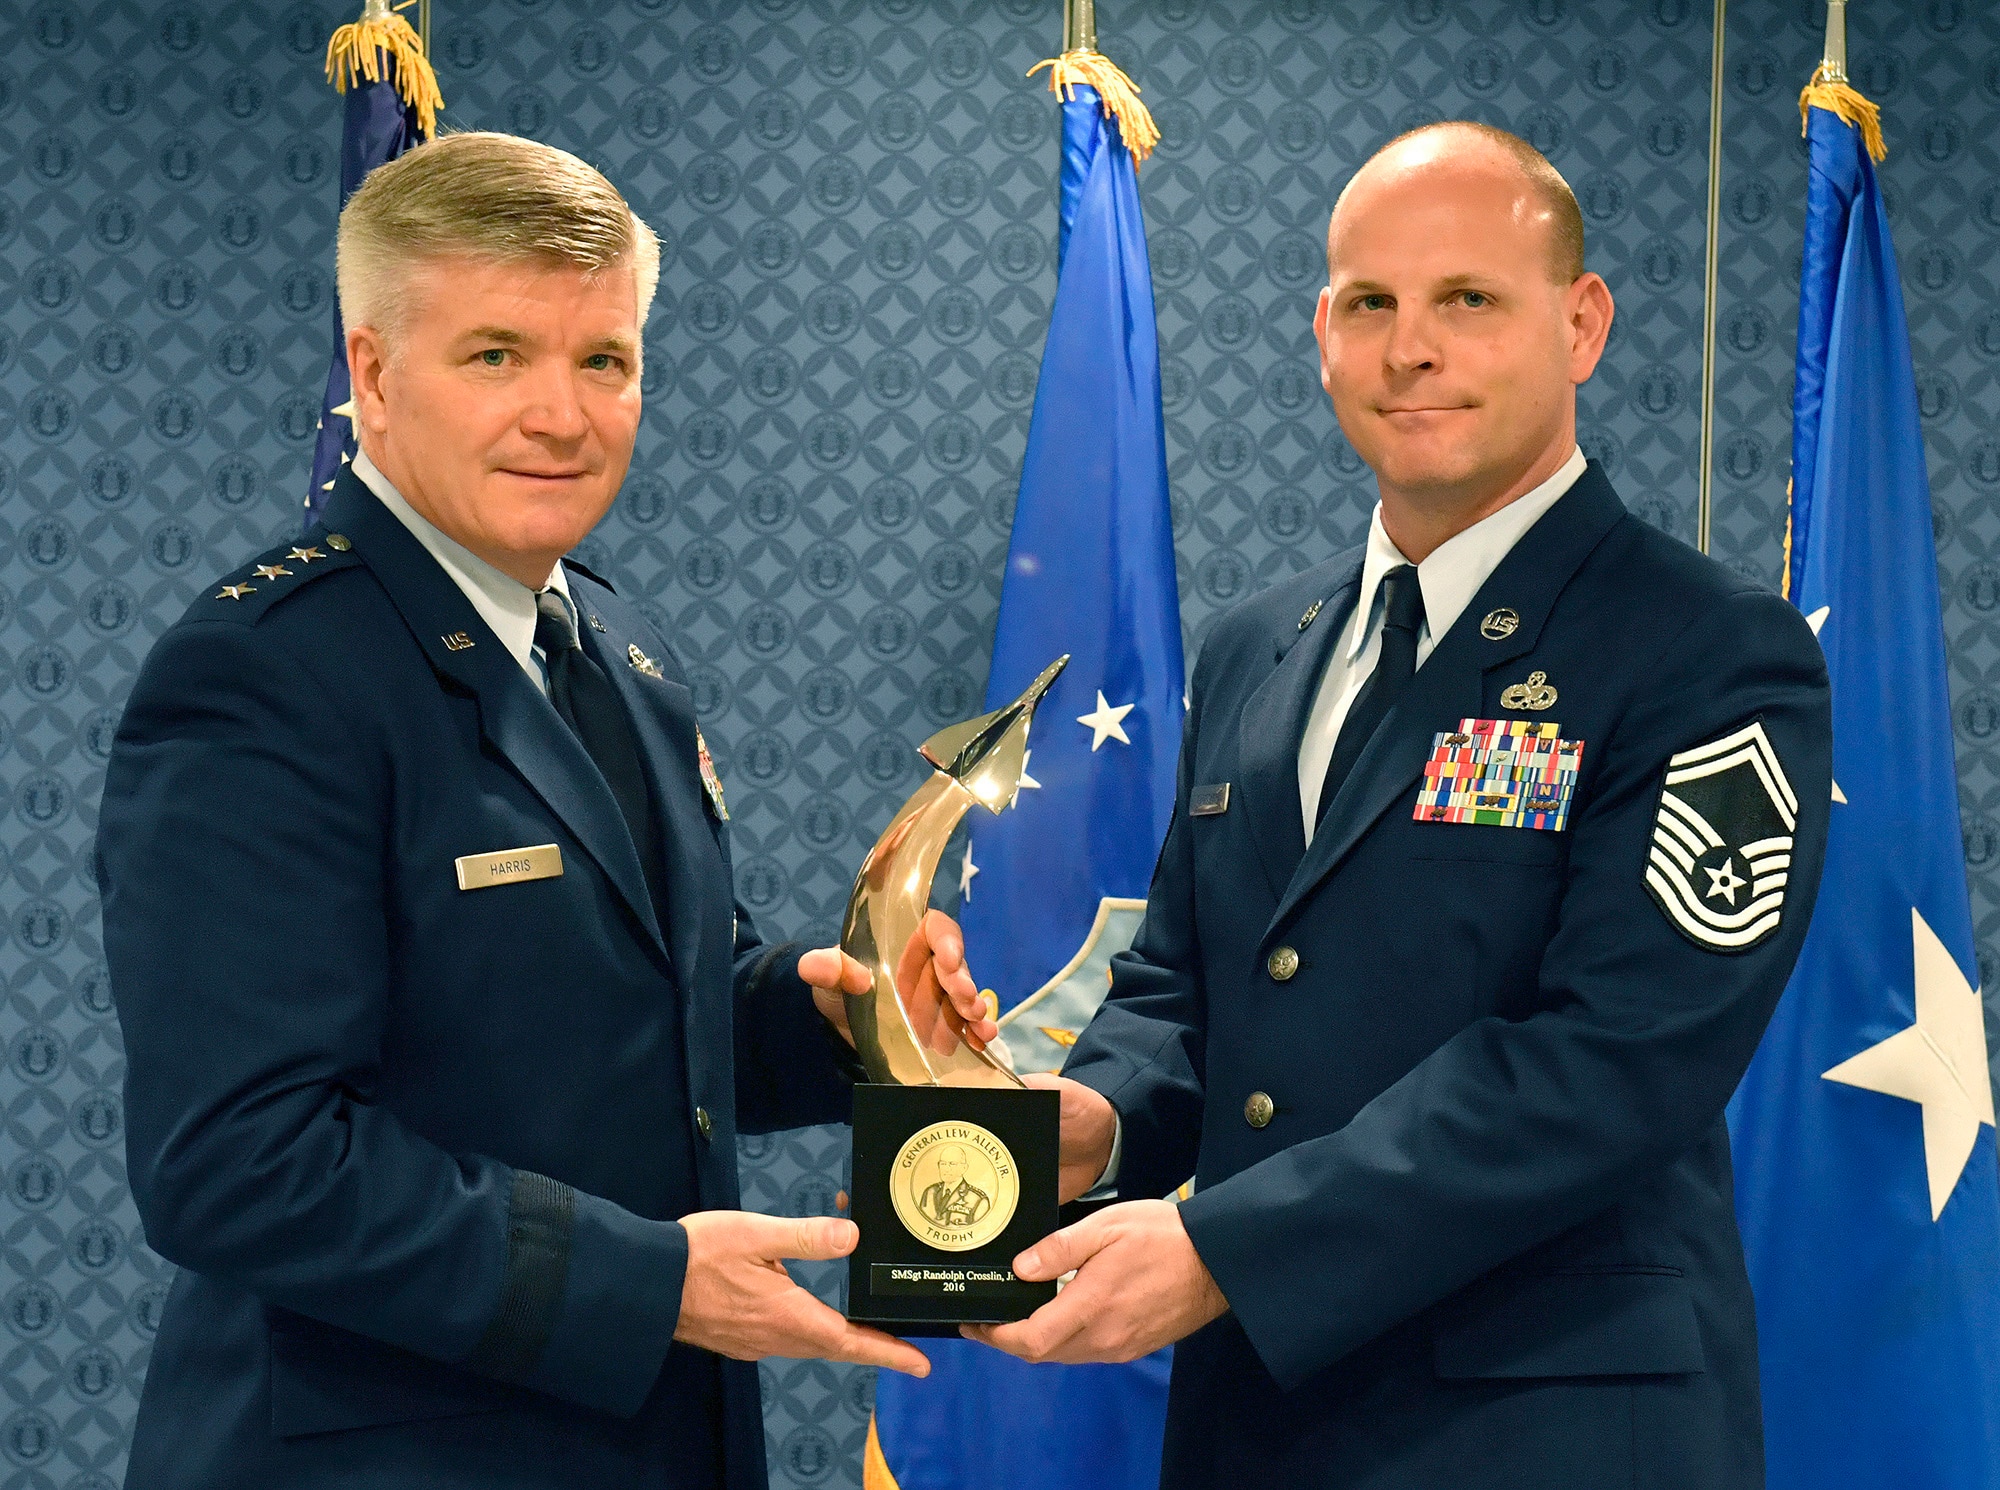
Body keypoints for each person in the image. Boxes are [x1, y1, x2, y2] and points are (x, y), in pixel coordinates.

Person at [97, 132, 996, 1490]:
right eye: (497, 355)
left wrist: (837, 1019)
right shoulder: (265, 673)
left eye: (604, 361)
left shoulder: (617, 651)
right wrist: (653, 1285)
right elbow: (236, 1162)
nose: (563, 415)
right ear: (375, 374)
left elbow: (642, 1021)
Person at [967, 122, 1833, 1490]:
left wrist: (1222, 1250)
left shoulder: (1709, 651)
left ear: (1582, 323)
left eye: (1467, 301)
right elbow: (1181, 988)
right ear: (1322, 329)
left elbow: (1614, 1061)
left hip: (1547, 1428)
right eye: (1369, 302)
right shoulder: (1257, 645)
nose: (1408, 348)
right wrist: (1097, 1122)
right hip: (1260, 1420)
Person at [916, 1147, 991, 1229]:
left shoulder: (978, 1199)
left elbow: (979, 1233)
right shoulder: (929, 1192)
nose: (946, 1169)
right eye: (943, 1164)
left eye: (952, 1164)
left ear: (964, 1168)